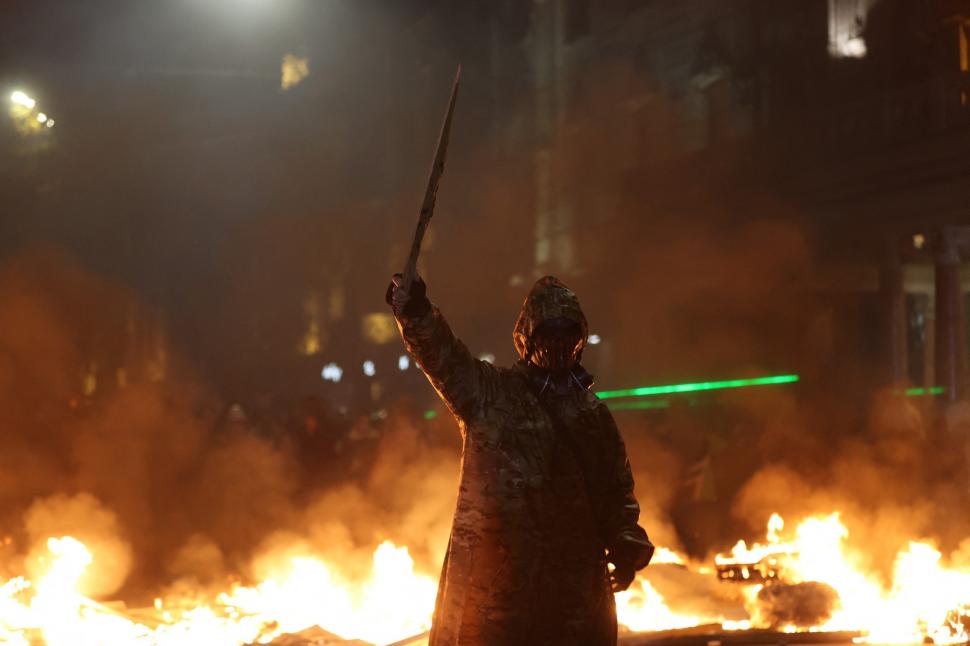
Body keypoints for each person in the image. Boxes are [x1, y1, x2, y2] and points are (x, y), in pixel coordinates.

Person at [386, 273, 654, 645]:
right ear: (528, 337)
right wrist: (416, 312)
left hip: (573, 596)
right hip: (496, 595)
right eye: (548, 331)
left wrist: (626, 546)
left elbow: (616, 492)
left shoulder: (592, 415)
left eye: (568, 332)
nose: (558, 342)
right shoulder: (490, 395)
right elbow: (443, 358)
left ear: (580, 339)